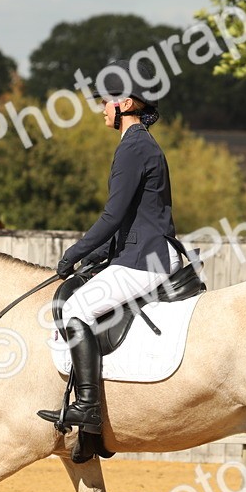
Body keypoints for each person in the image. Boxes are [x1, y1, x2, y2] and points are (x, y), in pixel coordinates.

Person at [36, 58, 184, 462]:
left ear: (124, 103)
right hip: (139, 251)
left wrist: (74, 253)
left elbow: (113, 215)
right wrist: (97, 255)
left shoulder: (133, 147)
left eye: (106, 101)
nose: (102, 108)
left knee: (78, 307)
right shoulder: (138, 145)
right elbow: (132, 219)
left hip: (146, 259)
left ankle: (87, 407)